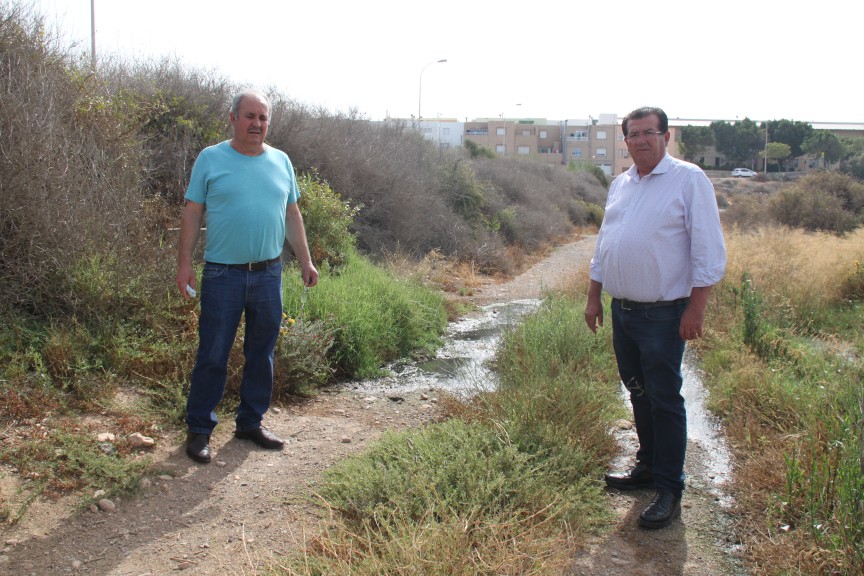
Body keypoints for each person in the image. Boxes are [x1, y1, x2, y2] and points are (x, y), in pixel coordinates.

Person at [583, 107, 726, 529]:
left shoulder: (689, 179)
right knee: (638, 392)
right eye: (634, 134)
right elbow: (603, 245)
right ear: (624, 140)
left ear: (667, 136)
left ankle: (669, 488)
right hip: (622, 311)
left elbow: (708, 251)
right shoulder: (620, 184)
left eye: (650, 132)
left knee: (665, 400)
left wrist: (696, 308)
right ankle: (647, 467)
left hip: (664, 316)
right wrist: (594, 297)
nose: (641, 140)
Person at [176, 90, 318, 464]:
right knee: (213, 353)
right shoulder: (211, 158)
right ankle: (200, 429)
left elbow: (292, 215)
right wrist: (184, 263)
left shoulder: (281, 161)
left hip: (269, 274)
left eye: (263, 118)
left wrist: (306, 261)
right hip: (223, 274)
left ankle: (250, 423)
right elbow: (192, 213)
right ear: (233, 118)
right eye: (250, 116)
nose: (257, 124)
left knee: (262, 353)